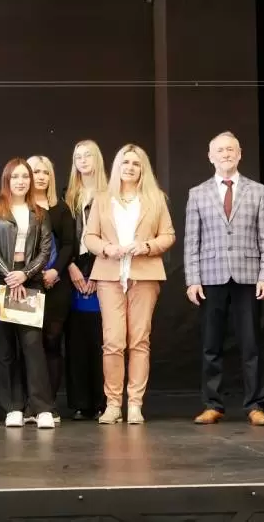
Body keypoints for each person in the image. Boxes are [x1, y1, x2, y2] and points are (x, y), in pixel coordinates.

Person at [184, 131, 264, 427]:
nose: (225, 154)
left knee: (251, 344)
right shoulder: (197, 193)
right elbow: (191, 241)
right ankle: (212, 404)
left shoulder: (257, 191)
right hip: (210, 277)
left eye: (230, 150)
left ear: (240, 154)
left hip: (249, 276)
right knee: (211, 344)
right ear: (210, 157)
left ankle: (256, 405)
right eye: (220, 150)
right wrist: (192, 279)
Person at [84, 144, 175, 424]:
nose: (130, 167)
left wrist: (146, 246)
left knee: (139, 341)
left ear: (143, 168)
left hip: (145, 276)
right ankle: (113, 405)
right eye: (125, 162)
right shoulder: (102, 199)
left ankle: (135, 404)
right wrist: (106, 248)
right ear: (117, 167)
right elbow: (89, 237)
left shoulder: (156, 199)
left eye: (136, 163)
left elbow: (168, 235)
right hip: (109, 276)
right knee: (112, 342)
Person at [0, 158, 55, 429]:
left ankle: (41, 407)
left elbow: (45, 250)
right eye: (15, 177)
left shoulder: (40, 212)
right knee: (4, 346)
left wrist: (24, 274)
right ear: (7, 180)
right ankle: (13, 407)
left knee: (33, 346)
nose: (21, 181)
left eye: (25, 177)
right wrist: (9, 275)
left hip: (30, 280)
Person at [28, 155, 76, 423]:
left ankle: (50, 404)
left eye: (45, 172)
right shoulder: (19, 207)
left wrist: (56, 271)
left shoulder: (61, 208)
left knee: (52, 342)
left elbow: (69, 244)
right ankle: (30, 404)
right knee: (29, 344)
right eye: (36, 171)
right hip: (27, 284)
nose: (41, 177)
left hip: (56, 284)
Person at [63, 140, 107, 420]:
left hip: (103, 266)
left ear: (97, 158)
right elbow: (60, 237)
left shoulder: (111, 194)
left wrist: (97, 272)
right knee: (76, 339)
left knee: (100, 338)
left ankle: (103, 401)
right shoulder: (67, 197)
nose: (82, 160)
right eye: (77, 156)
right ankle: (80, 402)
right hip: (72, 268)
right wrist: (70, 267)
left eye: (88, 155)